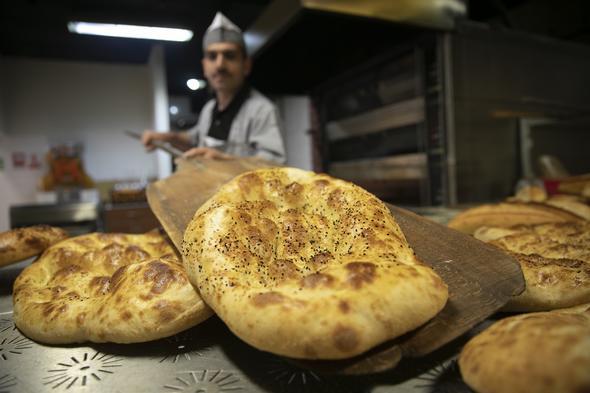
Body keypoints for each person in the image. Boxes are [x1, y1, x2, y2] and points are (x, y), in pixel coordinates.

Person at [142, 12, 286, 164]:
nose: (219, 65)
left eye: (229, 56)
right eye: (212, 56)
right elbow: (194, 138)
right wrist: (168, 138)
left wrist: (226, 160)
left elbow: (275, 164)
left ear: (246, 65)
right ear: (204, 66)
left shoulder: (262, 110)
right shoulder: (209, 109)